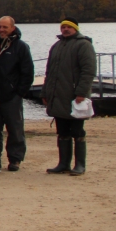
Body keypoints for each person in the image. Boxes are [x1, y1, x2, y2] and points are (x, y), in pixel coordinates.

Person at [43, 17, 96, 176]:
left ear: (75, 28)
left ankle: (80, 164)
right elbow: (49, 72)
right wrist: (45, 92)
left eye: (68, 27)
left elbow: (88, 71)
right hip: (58, 96)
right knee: (62, 131)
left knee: (78, 131)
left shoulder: (84, 45)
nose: (65, 29)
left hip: (74, 96)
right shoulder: (56, 46)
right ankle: (63, 163)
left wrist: (81, 92)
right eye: (63, 27)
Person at [0, 16, 35, 171]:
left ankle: (15, 159)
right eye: (0, 26)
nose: (1, 30)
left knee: (15, 128)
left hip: (12, 95)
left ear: (12, 28)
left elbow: (28, 72)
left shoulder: (20, 47)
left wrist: (20, 92)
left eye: (5, 27)